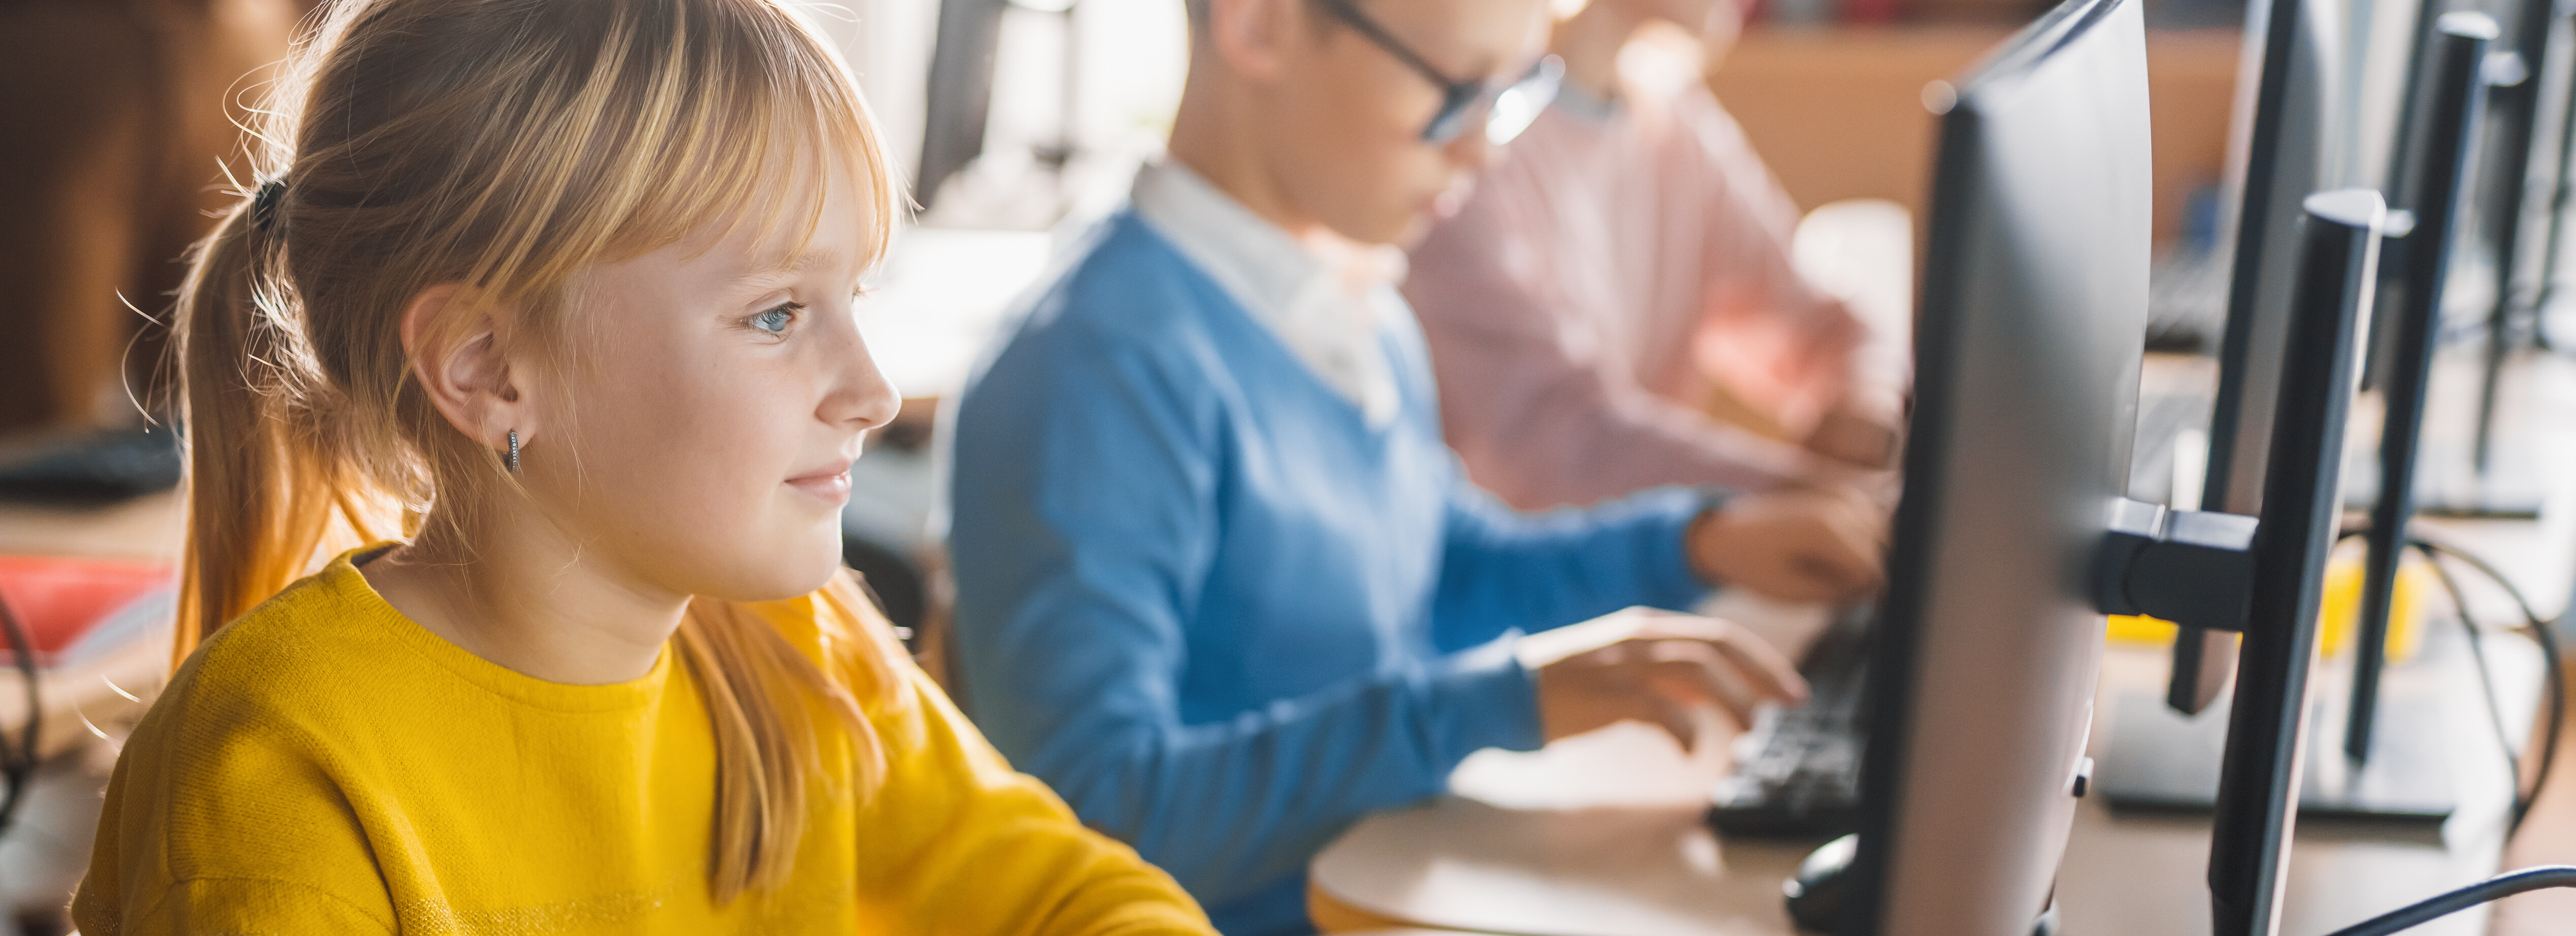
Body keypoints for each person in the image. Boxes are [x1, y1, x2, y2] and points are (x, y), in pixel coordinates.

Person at [69, 1, 1213, 932]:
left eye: (852, 297)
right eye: (776, 314)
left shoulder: (791, 651)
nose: (869, 390)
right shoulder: (277, 782)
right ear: (484, 367)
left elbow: (1079, 896)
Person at [944, 0, 1889, 932]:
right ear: (1259, 26)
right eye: (1454, 91)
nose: (1482, 152)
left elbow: (1438, 565)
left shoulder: (1358, 306)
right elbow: (1098, 814)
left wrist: (1693, 544)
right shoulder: (1093, 370)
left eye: (1509, 94)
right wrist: (1493, 705)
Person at [1400, 0, 1907, 512]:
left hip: (1656, 551)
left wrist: (1867, 402)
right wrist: (1824, 504)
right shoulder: (1470, 147)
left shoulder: (1669, 113)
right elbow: (1555, 449)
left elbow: (1818, 324)